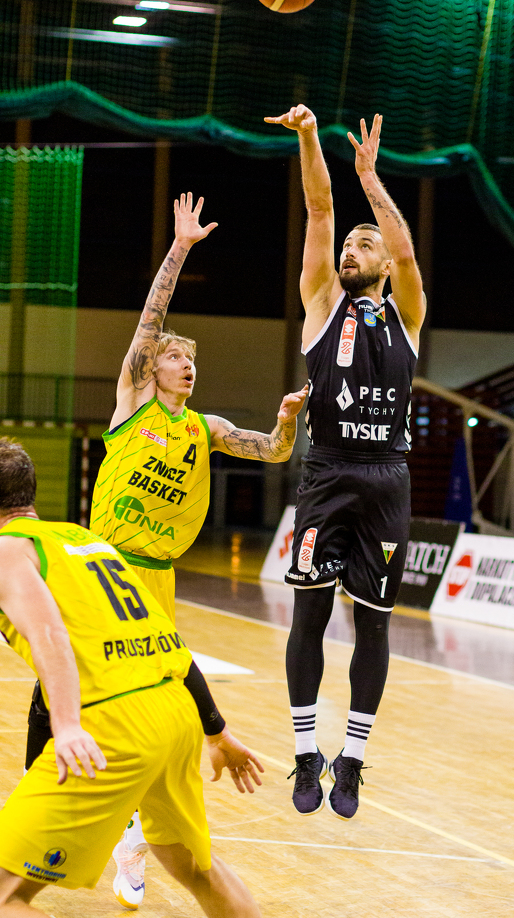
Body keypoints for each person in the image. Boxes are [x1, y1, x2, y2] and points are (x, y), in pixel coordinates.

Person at [24, 191, 307, 908]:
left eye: (189, 359)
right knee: (66, 679)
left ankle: (133, 835)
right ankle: (45, 800)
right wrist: (180, 248)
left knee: (155, 697)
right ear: (151, 369)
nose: (185, 365)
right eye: (175, 358)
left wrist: (285, 423)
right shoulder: (133, 404)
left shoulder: (204, 428)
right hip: (104, 565)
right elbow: (148, 322)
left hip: (157, 578)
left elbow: (273, 453)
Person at [0, 437, 263, 918]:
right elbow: (172, 644)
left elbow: (50, 635)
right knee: (194, 867)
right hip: (175, 712)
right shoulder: (88, 542)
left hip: (112, 726)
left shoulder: (7, 552)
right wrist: (217, 730)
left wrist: (67, 726)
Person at [265, 107, 425, 819]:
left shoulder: (407, 314)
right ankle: (307, 751)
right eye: (350, 245)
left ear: (385, 263)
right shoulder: (323, 301)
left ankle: (352, 759)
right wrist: (309, 137)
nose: (351, 250)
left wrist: (370, 177)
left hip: (387, 478)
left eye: (366, 244)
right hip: (326, 472)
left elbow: (407, 253)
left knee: (376, 623)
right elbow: (320, 209)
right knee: (310, 612)